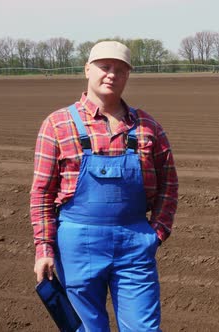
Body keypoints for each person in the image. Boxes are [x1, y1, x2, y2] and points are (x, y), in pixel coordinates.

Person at [30, 40, 178, 331]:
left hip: (135, 241)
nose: (112, 74)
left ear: (127, 77)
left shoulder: (148, 127)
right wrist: (44, 248)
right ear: (87, 69)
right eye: (105, 67)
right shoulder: (58, 124)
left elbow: (169, 185)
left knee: (144, 327)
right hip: (77, 243)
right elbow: (42, 193)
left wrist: (156, 233)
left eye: (120, 70)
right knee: (86, 327)